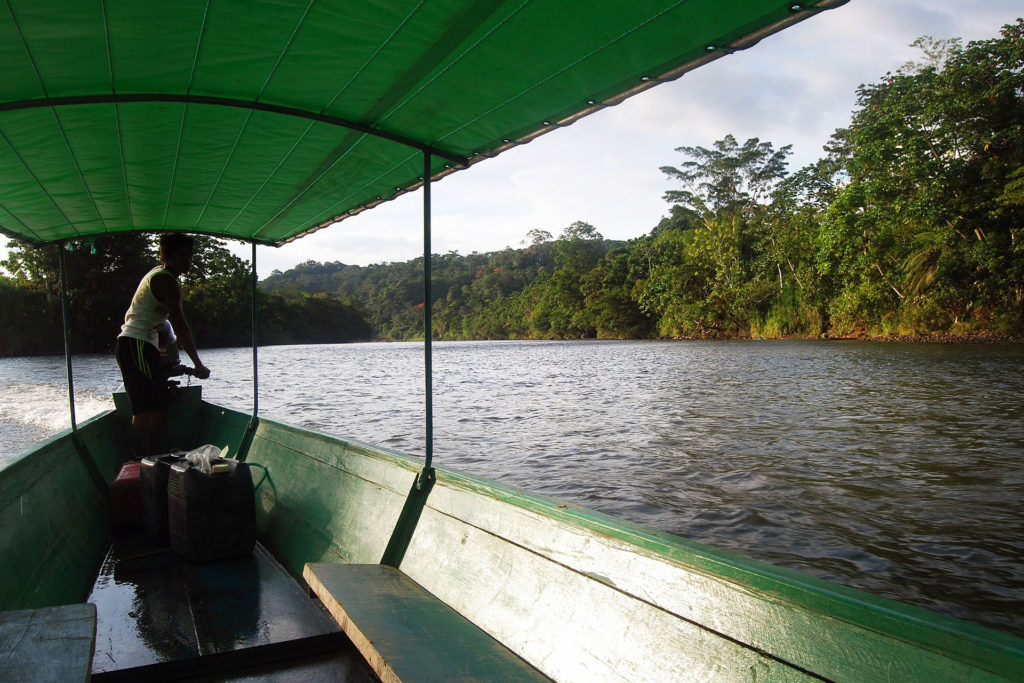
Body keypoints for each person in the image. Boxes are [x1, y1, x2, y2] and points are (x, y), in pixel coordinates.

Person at [115, 234, 211, 458]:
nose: (188, 261)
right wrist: (198, 364)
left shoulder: (161, 274)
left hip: (142, 344)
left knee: (156, 404)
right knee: (147, 407)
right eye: (182, 257)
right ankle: (146, 458)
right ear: (166, 257)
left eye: (190, 257)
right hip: (136, 343)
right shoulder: (165, 280)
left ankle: (149, 455)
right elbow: (181, 327)